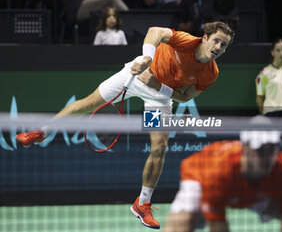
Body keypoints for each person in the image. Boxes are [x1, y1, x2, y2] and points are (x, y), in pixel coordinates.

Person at [15, 21, 235, 229]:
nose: (218, 47)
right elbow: (155, 32)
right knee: (87, 104)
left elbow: (186, 97)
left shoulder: (211, 73)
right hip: (135, 77)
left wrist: (159, 87)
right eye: (215, 40)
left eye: (223, 45)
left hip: (158, 98)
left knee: (159, 147)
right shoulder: (187, 41)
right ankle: (41, 132)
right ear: (205, 37)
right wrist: (147, 59)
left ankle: (142, 203)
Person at [163, 116, 282, 232]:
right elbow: (218, 227)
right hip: (199, 177)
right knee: (183, 219)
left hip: (255, 191)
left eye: (271, 149)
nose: (267, 158)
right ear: (245, 149)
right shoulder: (218, 172)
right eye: (260, 151)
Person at [255, 38, 282, 160]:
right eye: (278, 50)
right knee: (269, 151)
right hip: (271, 115)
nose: (281, 53)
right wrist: (264, 116)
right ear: (272, 52)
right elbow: (259, 97)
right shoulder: (264, 73)